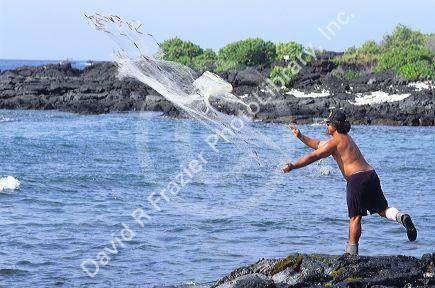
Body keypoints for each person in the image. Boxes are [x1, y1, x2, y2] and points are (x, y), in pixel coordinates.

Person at [282, 109, 417, 255]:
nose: (326, 126)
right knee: (382, 210)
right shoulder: (346, 138)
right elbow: (318, 144)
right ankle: (401, 217)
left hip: (357, 179)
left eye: (328, 123)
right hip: (370, 174)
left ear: (334, 125)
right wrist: (300, 136)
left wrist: (293, 166)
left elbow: (314, 156)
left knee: (355, 217)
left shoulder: (334, 142)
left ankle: (351, 254)